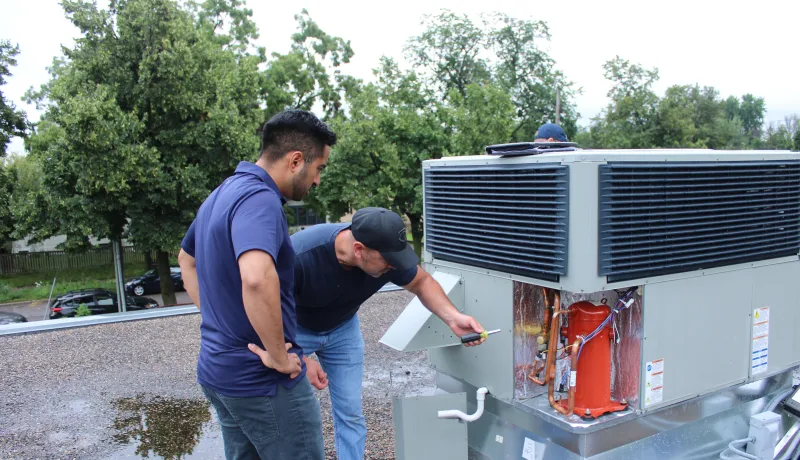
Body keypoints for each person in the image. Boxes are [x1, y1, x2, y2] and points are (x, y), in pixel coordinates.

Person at [249, 207, 488, 460]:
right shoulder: (300, 257)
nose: (394, 266)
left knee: (350, 412)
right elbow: (264, 309)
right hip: (295, 330)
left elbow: (422, 282)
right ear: (359, 249)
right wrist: (297, 357)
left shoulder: (387, 256)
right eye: (388, 260)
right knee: (291, 415)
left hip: (343, 330)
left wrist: (453, 317)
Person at [177, 109, 337, 460]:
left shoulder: (223, 192)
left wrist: (222, 319)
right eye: (319, 168)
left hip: (219, 373)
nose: (317, 181)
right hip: (262, 381)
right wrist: (279, 357)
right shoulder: (259, 199)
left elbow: (186, 260)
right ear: (296, 160)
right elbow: (255, 276)